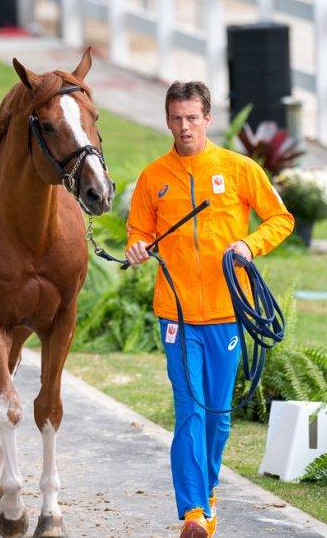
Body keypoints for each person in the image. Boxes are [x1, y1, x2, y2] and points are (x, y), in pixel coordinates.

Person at [125, 81, 294, 537]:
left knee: (219, 414)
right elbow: (137, 232)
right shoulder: (154, 177)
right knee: (190, 410)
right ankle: (195, 510)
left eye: (192, 118)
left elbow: (281, 218)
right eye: (176, 118)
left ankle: (210, 489)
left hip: (227, 314)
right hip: (176, 316)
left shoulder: (239, 169)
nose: (184, 127)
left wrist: (249, 244)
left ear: (207, 118)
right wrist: (137, 247)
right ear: (167, 120)